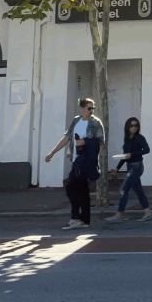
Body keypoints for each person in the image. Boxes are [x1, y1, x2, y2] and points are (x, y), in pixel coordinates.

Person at [44, 97, 103, 229]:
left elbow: (101, 141)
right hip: (76, 160)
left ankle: (76, 217)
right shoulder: (76, 120)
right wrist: (53, 152)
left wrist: (85, 142)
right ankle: (84, 220)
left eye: (93, 108)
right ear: (82, 108)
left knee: (71, 187)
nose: (91, 111)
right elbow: (66, 138)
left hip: (86, 161)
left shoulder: (96, 123)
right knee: (81, 190)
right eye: (89, 108)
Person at [105, 116, 152, 223]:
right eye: (131, 126)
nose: (134, 128)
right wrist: (117, 169)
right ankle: (148, 212)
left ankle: (119, 214)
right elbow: (125, 156)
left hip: (137, 166)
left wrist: (132, 154)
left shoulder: (140, 138)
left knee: (123, 189)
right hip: (130, 166)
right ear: (127, 127)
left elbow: (147, 150)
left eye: (136, 125)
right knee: (138, 190)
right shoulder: (127, 139)